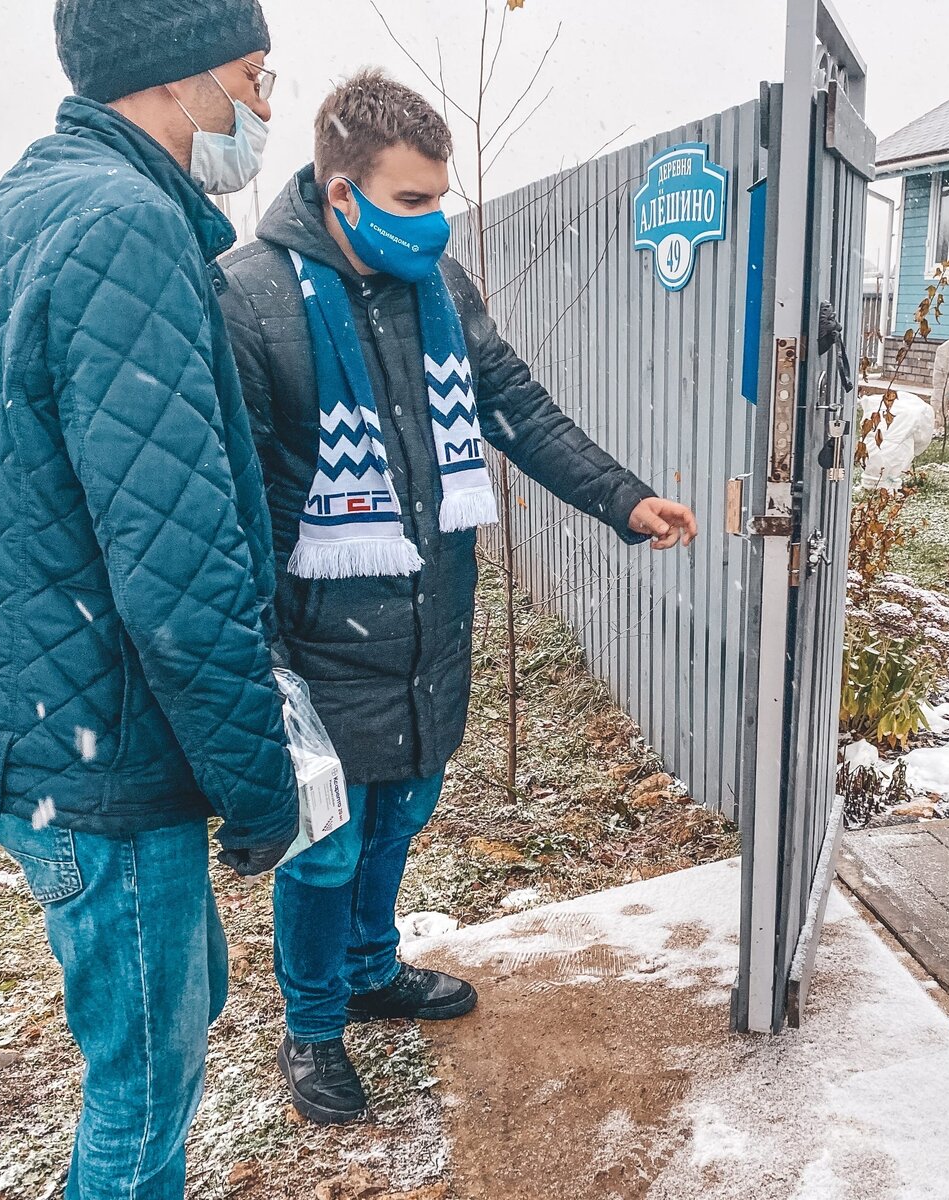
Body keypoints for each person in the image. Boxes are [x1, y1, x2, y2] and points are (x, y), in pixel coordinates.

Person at [219, 68, 698, 1124]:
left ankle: (370, 969)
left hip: (433, 618)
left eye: (441, 199)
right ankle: (310, 1027)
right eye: (409, 202)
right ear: (340, 192)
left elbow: (515, 406)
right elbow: (239, 501)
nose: (434, 223)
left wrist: (625, 499)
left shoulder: (440, 291)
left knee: (403, 813)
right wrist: (254, 660)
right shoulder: (248, 296)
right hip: (318, 637)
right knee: (326, 845)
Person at [0, 3, 300, 1195]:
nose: (267, 108)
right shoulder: (123, 229)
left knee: (177, 996)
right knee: (144, 1094)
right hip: (100, 752)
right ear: (182, 76)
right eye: (257, 79)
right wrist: (260, 789)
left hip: (35, 726)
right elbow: (179, 561)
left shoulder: (15, 211)